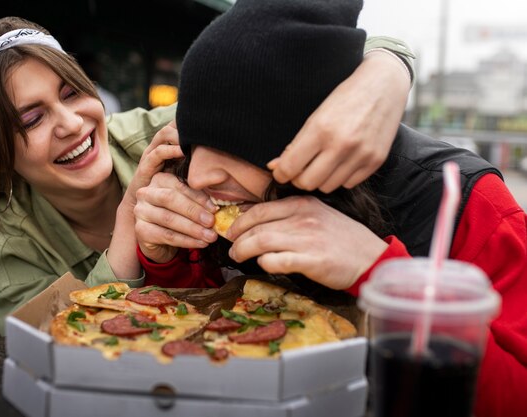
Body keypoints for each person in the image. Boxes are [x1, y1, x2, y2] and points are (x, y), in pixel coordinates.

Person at [132, 1, 527, 416]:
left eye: (232, 146)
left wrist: (380, 271)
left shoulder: (466, 202)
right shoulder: (209, 188)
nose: (198, 177)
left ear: (320, 143)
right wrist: (167, 262)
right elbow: (204, 325)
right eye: (196, 143)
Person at [0, 16, 415, 335]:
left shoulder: (165, 133)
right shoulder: (2, 247)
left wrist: (387, 75)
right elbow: (54, 344)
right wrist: (130, 223)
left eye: (72, 93)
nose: (71, 123)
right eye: (32, 120)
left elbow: (299, 68)